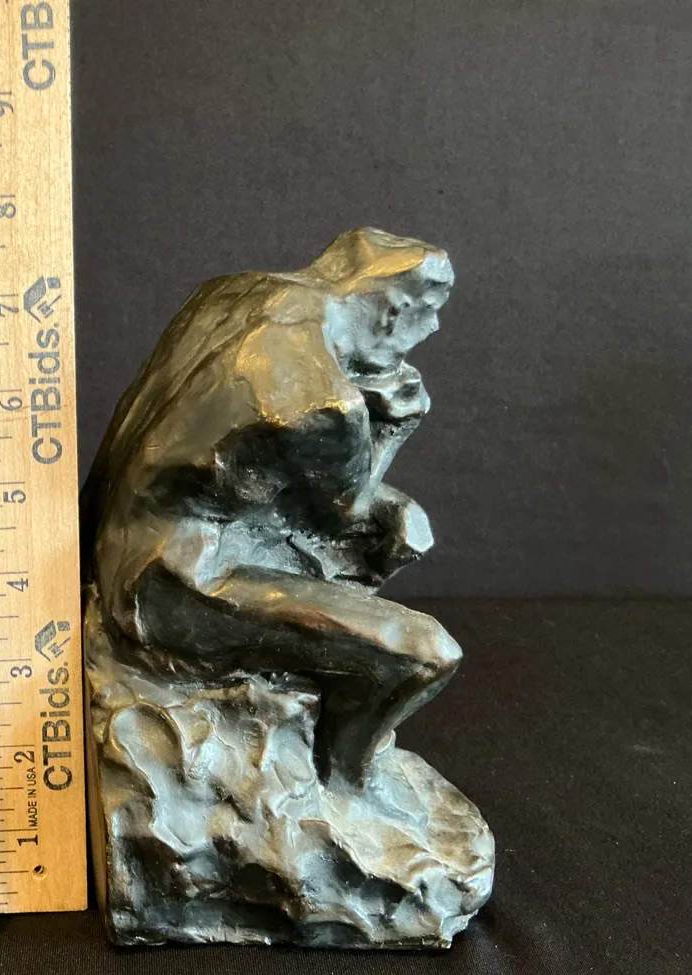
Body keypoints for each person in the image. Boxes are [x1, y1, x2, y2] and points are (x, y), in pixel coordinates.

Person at [84, 227, 462, 786]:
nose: (431, 332)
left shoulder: (232, 294)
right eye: (428, 317)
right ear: (392, 312)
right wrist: (397, 424)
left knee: (393, 535)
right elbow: (344, 518)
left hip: (111, 540)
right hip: (173, 586)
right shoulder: (325, 402)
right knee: (424, 653)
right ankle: (345, 787)